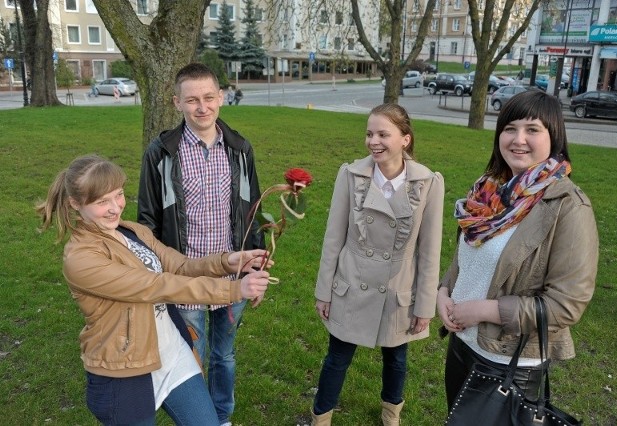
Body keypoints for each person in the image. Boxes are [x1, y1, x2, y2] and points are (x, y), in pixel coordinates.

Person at [36, 155, 272, 425]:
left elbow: (179, 266)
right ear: (75, 204)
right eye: (102, 202)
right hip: (124, 370)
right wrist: (232, 290)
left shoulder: (131, 231)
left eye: (119, 195)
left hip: (173, 355)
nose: (115, 208)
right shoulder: (81, 259)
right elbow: (155, 285)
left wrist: (228, 261)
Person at [437, 90, 599, 411]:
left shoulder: (568, 206)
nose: (518, 139)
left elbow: (567, 304)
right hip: (462, 346)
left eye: (532, 129)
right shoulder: (488, 190)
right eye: (509, 128)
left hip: (509, 363)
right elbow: (467, 256)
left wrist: (485, 311)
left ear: (554, 137)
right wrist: (443, 291)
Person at [138, 62, 264, 426]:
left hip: (231, 275)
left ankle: (221, 416)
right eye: (192, 100)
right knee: (191, 353)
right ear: (177, 102)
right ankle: (199, 417)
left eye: (209, 97)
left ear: (221, 98)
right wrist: (154, 273)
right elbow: (147, 219)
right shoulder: (161, 153)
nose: (202, 107)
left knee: (224, 355)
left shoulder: (239, 148)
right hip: (185, 276)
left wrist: (255, 265)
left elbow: (253, 208)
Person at [312, 103, 445, 426]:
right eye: (369, 134)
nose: (374, 141)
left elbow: (430, 251)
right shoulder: (351, 174)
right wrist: (324, 291)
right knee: (337, 358)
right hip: (351, 283)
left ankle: (391, 414)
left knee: (396, 359)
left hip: (397, 289)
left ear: (405, 139)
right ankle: (321, 416)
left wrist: (425, 305)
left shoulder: (428, 182)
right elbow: (333, 237)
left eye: (383, 134)